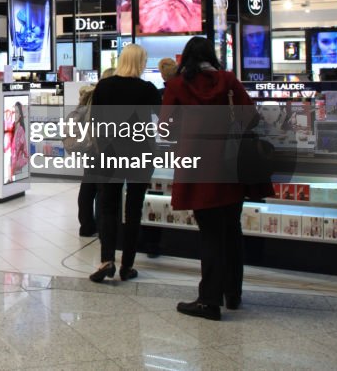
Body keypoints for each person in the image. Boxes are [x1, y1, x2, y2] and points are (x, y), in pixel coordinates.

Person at [162, 36, 270, 321]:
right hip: (230, 166)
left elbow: (166, 127)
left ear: (185, 57)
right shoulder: (229, 81)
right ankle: (232, 293)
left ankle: (208, 300)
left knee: (209, 233)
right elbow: (251, 117)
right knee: (232, 230)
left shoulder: (176, 86)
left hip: (197, 167)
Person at [89, 44, 161, 283]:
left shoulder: (105, 86)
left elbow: (95, 121)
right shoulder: (148, 89)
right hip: (140, 154)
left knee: (108, 206)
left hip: (110, 153)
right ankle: (127, 265)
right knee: (133, 210)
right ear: (140, 62)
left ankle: (106, 260)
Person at [66, 83, 98, 236]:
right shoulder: (93, 110)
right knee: (96, 188)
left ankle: (86, 225)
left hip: (87, 152)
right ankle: (94, 224)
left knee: (87, 188)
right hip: (97, 152)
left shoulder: (80, 110)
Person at [4, 101, 29, 181]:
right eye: (14, 111)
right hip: (11, 163)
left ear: (20, 115)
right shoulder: (12, 127)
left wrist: (19, 163)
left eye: (17, 112)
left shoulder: (21, 130)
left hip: (16, 166)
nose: (15, 114)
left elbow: (25, 152)